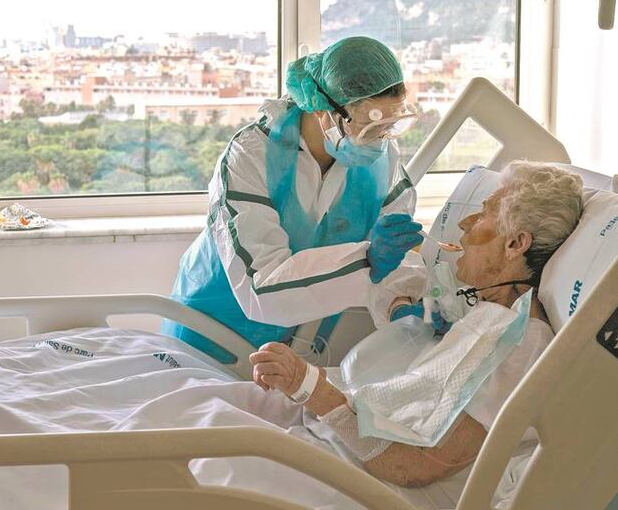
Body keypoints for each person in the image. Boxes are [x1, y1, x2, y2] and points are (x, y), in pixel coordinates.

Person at [248, 161, 583, 488]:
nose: (465, 224)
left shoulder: (518, 343)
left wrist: (307, 386)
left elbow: (417, 466)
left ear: (515, 244)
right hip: (334, 425)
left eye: (483, 213)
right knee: (212, 407)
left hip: (361, 472)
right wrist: (404, 306)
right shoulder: (486, 307)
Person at [164, 36, 423, 363]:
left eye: (388, 126)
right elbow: (263, 289)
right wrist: (368, 259)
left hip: (295, 351)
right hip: (210, 341)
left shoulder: (382, 161)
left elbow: (397, 254)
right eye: (368, 126)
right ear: (323, 109)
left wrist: (400, 304)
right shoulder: (251, 157)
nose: (378, 141)